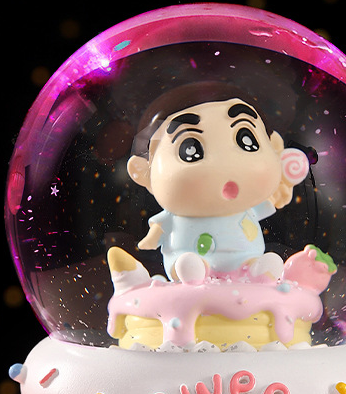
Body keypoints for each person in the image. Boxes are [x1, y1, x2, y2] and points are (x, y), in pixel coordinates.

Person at [127, 83, 307, 283]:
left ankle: (257, 270)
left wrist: (284, 183)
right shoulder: (173, 218)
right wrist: (152, 238)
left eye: (246, 140)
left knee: (261, 262)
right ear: (144, 172)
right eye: (190, 150)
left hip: (244, 264)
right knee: (186, 263)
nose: (225, 163)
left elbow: (272, 201)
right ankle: (191, 272)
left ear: (273, 147)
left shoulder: (250, 208)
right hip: (188, 261)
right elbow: (158, 230)